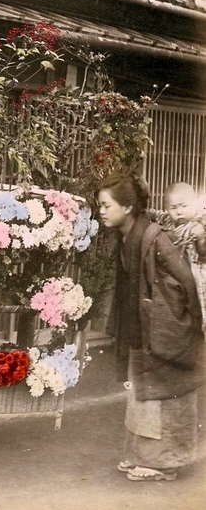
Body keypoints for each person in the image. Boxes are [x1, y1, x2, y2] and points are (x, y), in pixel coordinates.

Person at [97, 172, 205, 482]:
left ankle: (164, 462)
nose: (102, 211)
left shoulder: (154, 236)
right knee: (144, 393)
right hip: (145, 326)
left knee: (165, 394)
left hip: (165, 325)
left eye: (106, 205)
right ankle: (143, 455)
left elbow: (185, 281)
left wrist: (175, 322)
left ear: (128, 207)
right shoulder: (128, 234)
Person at [161, 182, 206, 330]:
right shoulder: (166, 222)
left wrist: (201, 239)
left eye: (184, 206)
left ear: (194, 204)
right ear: (166, 208)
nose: (179, 212)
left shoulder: (200, 224)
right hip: (176, 279)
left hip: (198, 276)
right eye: (173, 208)